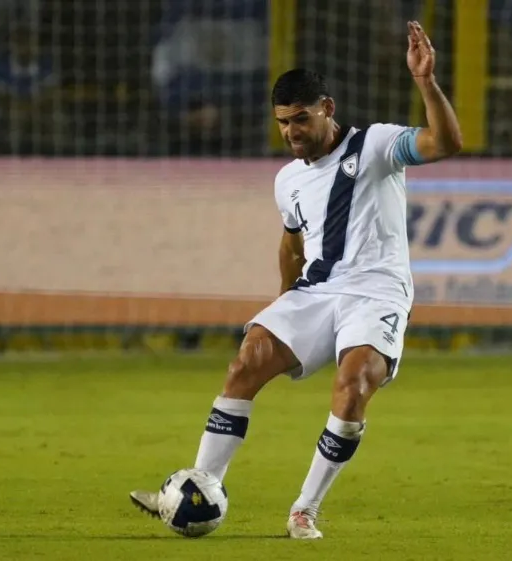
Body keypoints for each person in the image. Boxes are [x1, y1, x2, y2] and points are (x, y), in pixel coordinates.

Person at [130, 20, 462, 539]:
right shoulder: (287, 180)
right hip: (316, 293)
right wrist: (282, 308)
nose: (290, 132)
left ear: (327, 109)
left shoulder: (375, 146)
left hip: (376, 292)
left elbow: (446, 142)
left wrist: (425, 81)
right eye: (283, 122)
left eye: (300, 119)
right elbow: (291, 243)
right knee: (247, 361)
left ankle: (304, 509)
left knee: (352, 389)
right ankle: (199, 486)